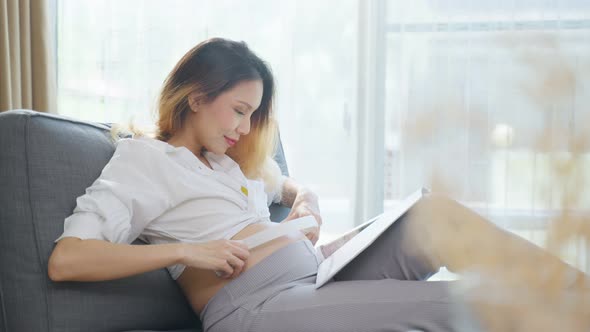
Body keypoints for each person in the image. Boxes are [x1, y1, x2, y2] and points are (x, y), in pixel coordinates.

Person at [48, 38, 588, 332]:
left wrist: (301, 197)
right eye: (238, 111)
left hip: (314, 273)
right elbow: (68, 259)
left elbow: (282, 186)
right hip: (253, 309)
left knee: (434, 216)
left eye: (252, 115)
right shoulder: (145, 159)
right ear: (195, 96)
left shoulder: (229, 162)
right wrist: (190, 250)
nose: (242, 129)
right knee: (469, 304)